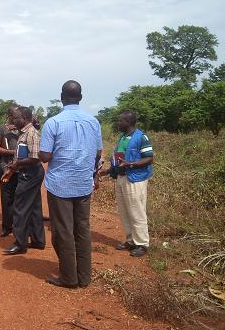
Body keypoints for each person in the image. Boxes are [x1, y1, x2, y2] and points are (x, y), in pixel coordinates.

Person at [39, 80, 102, 289]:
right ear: (81, 98)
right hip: (84, 183)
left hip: (60, 186)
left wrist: (42, 152)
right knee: (82, 229)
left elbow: (45, 156)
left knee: (63, 230)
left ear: (61, 97)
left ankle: (68, 277)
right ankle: (84, 277)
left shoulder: (53, 123)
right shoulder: (93, 122)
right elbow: (99, 153)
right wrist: (89, 171)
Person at [99, 111, 153, 257]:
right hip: (122, 178)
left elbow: (149, 158)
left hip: (135, 178)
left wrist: (131, 164)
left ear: (129, 122)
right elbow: (119, 160)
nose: (118, 123)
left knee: (137, 212)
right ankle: (131, 240)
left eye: (121, 121)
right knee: (125, 211)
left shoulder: (141, 137)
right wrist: (108, 171)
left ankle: (142, 244)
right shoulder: (123, 138)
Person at [3, 106, 46, 255]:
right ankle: (38, 240)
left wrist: (17, 164)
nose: (14, 120)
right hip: (27, 172)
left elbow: (35, 157)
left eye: (16, 118)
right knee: (34, 207)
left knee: (20, 207)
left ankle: (20, 243)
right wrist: (14, 166)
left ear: (25, 119)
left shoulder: (31, 133)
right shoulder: (24, 133)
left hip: (30, 173)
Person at [0, 106, 19, 237]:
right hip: (6, 167)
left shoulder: (23, 128)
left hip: (21, 167)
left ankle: (19, 226)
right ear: (9, 115)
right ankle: (7, 226)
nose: (16, 117)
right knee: (7, 198)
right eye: (14, 115)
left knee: (20, 198)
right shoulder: (2, 129)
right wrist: (12, 152)